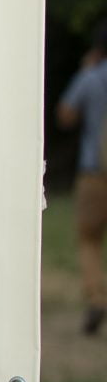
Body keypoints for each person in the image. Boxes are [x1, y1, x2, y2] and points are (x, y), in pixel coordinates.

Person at [57, 23, 107, 333]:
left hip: (95, 174)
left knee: (89, 240)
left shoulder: (91, 77)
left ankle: (97, 298)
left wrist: (87, 70)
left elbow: (66, 115)